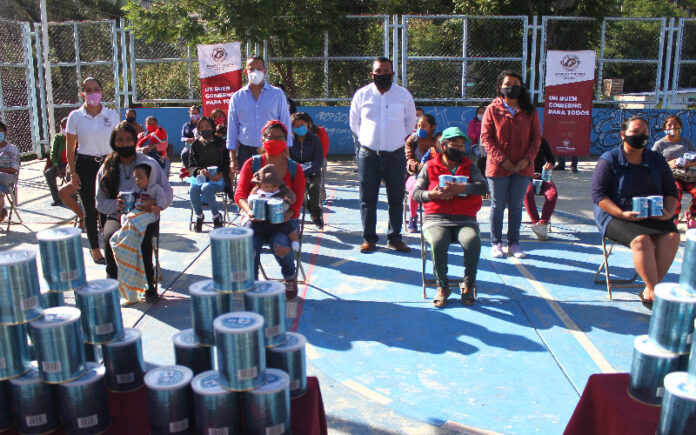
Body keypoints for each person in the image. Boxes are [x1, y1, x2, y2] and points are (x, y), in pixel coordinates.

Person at [592, 116, 680, 309]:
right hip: (616, 216)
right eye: (635, 132)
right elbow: (599, 196)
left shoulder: (656, 160)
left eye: (644, 133)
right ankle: (655, 292)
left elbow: (671, 191)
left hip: (652, 213)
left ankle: (650, 290)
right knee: (642, 241)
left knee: (673, 236)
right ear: (623, 135)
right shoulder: (609, 160)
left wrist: (668, 212)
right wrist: (621, 214)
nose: (640, 136)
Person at [96, 122, 173, 304]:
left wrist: (156, 204)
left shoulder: (148, 163)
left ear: (135, 141)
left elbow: (167, 191)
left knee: (142, 237)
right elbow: (99, 202)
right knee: (110, 237)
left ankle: (148, 285)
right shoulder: (107, 166)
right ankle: (114, 281)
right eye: (120, 140)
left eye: (129, 139)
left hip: (145, 217)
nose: (125, 143)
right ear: (113, 142)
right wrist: (116, 205)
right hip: (118, 215)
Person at [412, 127, 488, 308]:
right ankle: (443, 286)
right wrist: (432, 195)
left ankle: (468, 284)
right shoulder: (430, 166)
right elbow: (416, 193)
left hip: (465, 219)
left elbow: (483, 187)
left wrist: (464, 188)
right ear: (443, 145)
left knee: (472, 241)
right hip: (436, 219)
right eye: (455, 145)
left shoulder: (470, 165)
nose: (460, 149)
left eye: (462, 146)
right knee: (438, 241)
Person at [350, 56, 417, 253]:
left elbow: (409, 123)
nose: (382, 75)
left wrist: (393, 140)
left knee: (395, 198)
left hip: (395, 155)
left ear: (393, 74)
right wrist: (368, 140)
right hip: (368, 155)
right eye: (378, 72)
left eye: (386, 72)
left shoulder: (403, 96)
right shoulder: (362, 95)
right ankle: (369, 238)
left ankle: (395, 238)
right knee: (367, 199)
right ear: (372, 74)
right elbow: (354, 123)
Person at [235, 120, 305, 300]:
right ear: (262, 139)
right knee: (249, 246)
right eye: (270, 137)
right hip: (255, 220)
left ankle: (290, 277)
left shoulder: (294, 168)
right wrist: (249, 211)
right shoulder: (252, 164)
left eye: (279, 137)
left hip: (283, 221)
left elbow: (297, 200)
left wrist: (286, 215)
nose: (274, 141)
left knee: (281, 244)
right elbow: (240, 194)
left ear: (286, 140)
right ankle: (252, 283)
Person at [481, 70, 541, 259]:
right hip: (498, 167)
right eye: (508, 84)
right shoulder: (492, 109)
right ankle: (496, 242)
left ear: (521, 86)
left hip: (523, 167)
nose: (512, 87)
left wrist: (526, 159)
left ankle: (514, 243)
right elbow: (486, 138)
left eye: (516, 83)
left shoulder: (529, 110)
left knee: (516, 206)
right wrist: (503, 160)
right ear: (500, 87)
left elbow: (536, 138)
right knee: (497, 206)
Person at [66, 76, 119, 265]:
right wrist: (73, 172)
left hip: (107, 164)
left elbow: (117, 142)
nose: (92, 93)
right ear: (83, 94)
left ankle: (108, 245)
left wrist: (115, 163)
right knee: (90, 209)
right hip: (85, 165)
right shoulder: (75, 116)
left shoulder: (111, 115)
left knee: (107, 207)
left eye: (96, 89)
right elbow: (70, 146)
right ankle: (95, 248)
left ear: (102, 92)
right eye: (88, 90)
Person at [226, 55, 293, 173]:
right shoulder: (237, 98)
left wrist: (286, 151)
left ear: (264, 71)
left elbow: (285, 123)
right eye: (251, 69)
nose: (255, 72)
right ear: (246, 72)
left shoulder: (277, 94)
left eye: (258, 68)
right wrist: (232, 158)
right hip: (246, 152)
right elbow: (232, 130)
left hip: (273, 151)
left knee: (272, 188)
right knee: (248, 189)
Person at [652, 115, 696, 228]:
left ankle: (692, 215)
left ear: (680, 126)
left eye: (675, 124)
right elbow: (652, 161)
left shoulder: (686, 142)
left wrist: (689, 164)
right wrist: (668, 163)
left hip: (689, 176)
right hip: (671, 177)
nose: (672, 127)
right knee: (676, 192)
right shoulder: (660, 144)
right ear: (664, 128)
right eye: (669, 125)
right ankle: (674, 216)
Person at [188, 116, 232, 232]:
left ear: (212, 127)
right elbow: (190, 166)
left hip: (218, 178)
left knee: (207, 188)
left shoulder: (221, 144)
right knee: (193, 189)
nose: (204, 129)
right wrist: (199, 171)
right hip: (202, 177)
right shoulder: (195, 145)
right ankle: (199, 216)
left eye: (207, 126)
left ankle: (216, 217)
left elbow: (227, 163)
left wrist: (221, 174)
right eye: (201, 127)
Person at [244, 164, 300, 251]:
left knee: (289, 227)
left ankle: (295, 241)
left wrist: (288, 198)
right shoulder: (256, 191)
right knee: (248, 225)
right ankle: (244, 242)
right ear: (259, 185)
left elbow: (292, 195)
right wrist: (250, 211)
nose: (270, 188)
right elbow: (250, 201)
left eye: (273, 186)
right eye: (266, 186)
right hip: (259, 222)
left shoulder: (282, 190)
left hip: (277, 222)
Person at [289, 112, 325, 229]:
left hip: (313, 171)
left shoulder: (314, 139)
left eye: (302, 124)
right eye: (296, 125)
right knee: (299, 194)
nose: (299, 127)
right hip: (296, 173)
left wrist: (306, 173)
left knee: (314, 188)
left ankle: (315, 214)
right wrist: (299, 174)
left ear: (308, 124)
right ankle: (313, 211)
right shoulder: (290, 141)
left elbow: (318, 160)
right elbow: (288, 160)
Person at [405, 114, 438, 232]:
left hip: (433, 175)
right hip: (414, 174)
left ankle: (436, 218)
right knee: (415, 189)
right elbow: (409, 160)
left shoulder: (437, 141)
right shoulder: (412, 140)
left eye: (424, 126)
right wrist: (418, 167)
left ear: (432, 127)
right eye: (418, 126)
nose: (420, 128)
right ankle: (413, 217)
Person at [523, 137, 557, 241]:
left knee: (552, 193)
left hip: (541, 176)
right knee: (527, 192)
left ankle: (542, 223)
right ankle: (536, 222)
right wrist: (528, 174)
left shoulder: (541, 140)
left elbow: (551, 159)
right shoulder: (518, 140)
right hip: (524, 176)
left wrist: (550, 165)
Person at [44, 117, 69, 206]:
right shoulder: (58, 138)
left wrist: (67, 167)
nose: (65, 129)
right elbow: (53, 153)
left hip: (71, 165)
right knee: (48, 173)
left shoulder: (76, 137)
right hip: (60, 164)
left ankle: (71, 198)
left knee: (70, 175)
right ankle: (57, 198)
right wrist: (56, 166)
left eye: (67, 126)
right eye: (63, 127)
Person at [0, 121, 19, 223]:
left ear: (5, 133)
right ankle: (1, 210)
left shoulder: (12, 149)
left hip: (8, 177)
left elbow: (14, 169)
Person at [468, 103, 488, 175]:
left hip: (488, 145)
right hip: (476, 145)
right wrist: (481, 136)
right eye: (480, 112)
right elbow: (471, 134)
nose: (482, 114)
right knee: (480, 155)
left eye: (483, 112)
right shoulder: (472, 123)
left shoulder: (490, 123)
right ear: (476, 114)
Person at [180, 105, 200, 170]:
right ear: (189, 114)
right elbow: (182, 137)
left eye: (196, 113)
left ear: (199, 114)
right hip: (189, 145)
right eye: (192, 113)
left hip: (200, 144)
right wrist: (187, 139)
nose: (194, 115)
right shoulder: (186, 125)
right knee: (184, 154)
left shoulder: (202, 123)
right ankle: (189, 171)